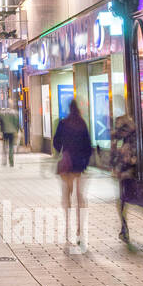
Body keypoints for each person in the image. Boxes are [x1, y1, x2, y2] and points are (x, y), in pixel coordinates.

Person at [52, 101, 93, 252]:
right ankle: (79, 228)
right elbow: (88, 145)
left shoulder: (63, 123)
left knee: (66, 194)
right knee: (80, 196)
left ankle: (68, 225)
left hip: (67, 163)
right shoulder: (81, 123)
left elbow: (56, 141)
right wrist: (85, 162)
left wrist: (63, 151)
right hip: (78, 164)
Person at [109, 112, 140, 244]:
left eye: (118, 124)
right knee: (123, 199)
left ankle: (124, 228)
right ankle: (124, 227)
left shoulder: (127, 132)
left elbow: (115, 137)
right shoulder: (132, 132)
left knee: (122, 200)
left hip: (127, 169)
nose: (116, 127)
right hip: (128, 168)